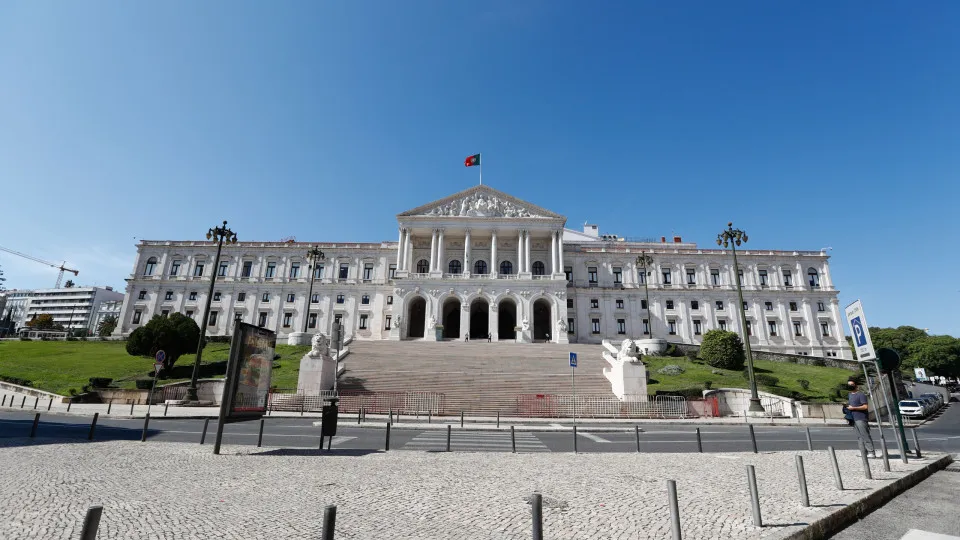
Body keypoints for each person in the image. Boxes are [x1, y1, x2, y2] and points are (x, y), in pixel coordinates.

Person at [847, 380, 876, 458]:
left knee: (865, 435)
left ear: (856, 385)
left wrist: (853, 408)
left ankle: (871, 452)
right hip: (853, 418)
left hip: (861, 417)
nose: (850, 386)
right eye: (849, 385)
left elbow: (865, 406)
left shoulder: (861, 395)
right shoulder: (849, 395)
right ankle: (863, 451)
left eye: (852, 384)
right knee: (859, 436)